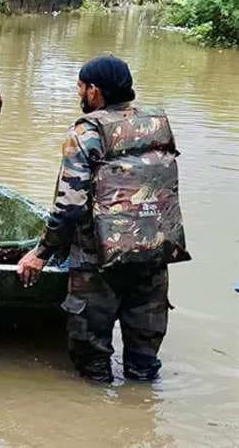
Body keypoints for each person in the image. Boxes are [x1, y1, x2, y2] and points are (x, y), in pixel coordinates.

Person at [17, 55, 190, 383]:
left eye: (81, 87)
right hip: (153, 251)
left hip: (97, 260)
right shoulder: (157, 122)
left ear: (94, 91)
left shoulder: (86, 131)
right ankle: (142, 414)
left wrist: (41, 253)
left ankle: (97, 418)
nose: (79, 93)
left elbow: (70, 206)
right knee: (144, 363)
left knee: (92, 362)